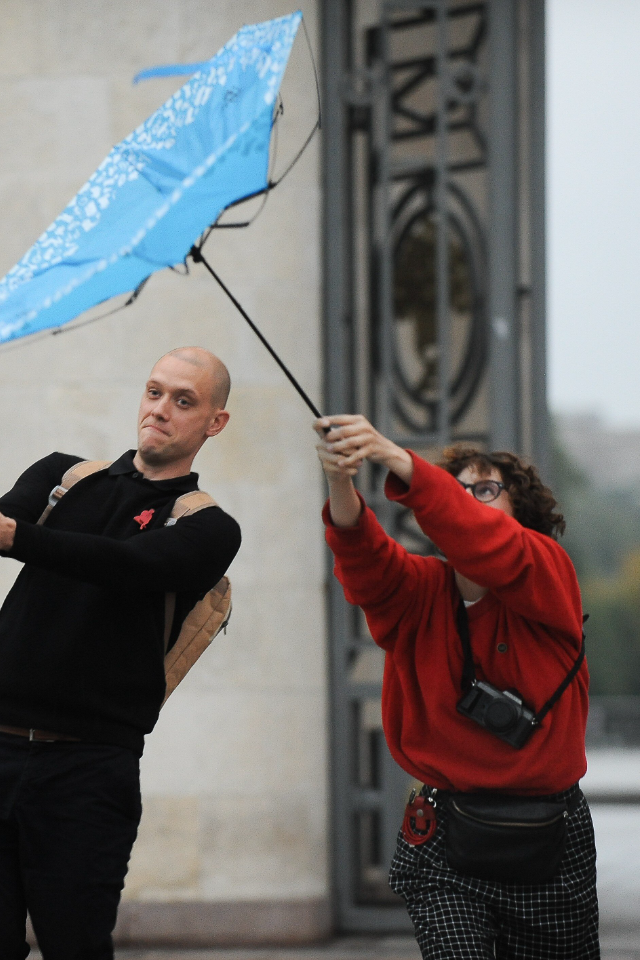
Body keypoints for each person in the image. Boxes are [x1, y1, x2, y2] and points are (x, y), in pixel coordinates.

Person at [315, 414, 599, 960]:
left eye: (485, 489)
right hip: (445, 835)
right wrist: (339, 480)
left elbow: (488, 541)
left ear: (521, 513)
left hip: (549, 836)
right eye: (457, 490)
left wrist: (395, 457)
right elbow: (362, 556)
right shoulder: (420, 591)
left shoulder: (548, 571)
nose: (467, 500)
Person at [0, 346, 241, 960]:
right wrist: (16, 532)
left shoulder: (207, 527)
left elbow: (128, 565)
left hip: (86, 771)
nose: (159, 409)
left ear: (215, 422)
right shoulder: (63, 476)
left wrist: (21, 537)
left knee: (75, 944)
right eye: (154, 392)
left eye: (183, 401)